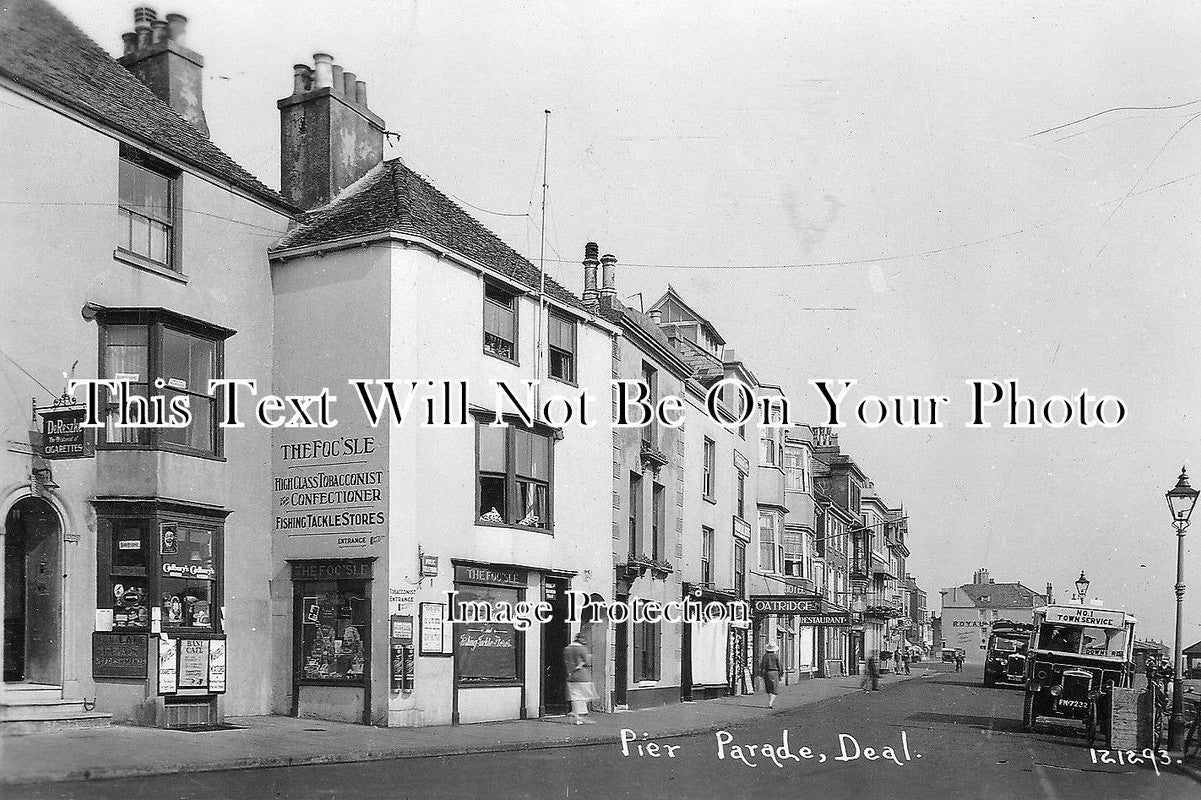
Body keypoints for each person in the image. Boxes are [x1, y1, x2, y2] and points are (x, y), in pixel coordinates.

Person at [563, 632, 597, 725]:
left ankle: (576, 716)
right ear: (581, 640)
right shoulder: (582, 649)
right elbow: (588, 662)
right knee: (584, 696)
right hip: (582, 675)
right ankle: (579, 716)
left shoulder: (567, 649)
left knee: (575, 696)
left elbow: (566, 661)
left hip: (571, 675)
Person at [760, 641, 782, 708]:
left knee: (768, 688)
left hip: (767, 673)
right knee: (775, 689)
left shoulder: (765, 656)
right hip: (775, 673)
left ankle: (769, 702)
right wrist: (780, 674)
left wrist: (762, 675)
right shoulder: (776, 656)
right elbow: (779, 666)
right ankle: (770, 703)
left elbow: (763, 666)